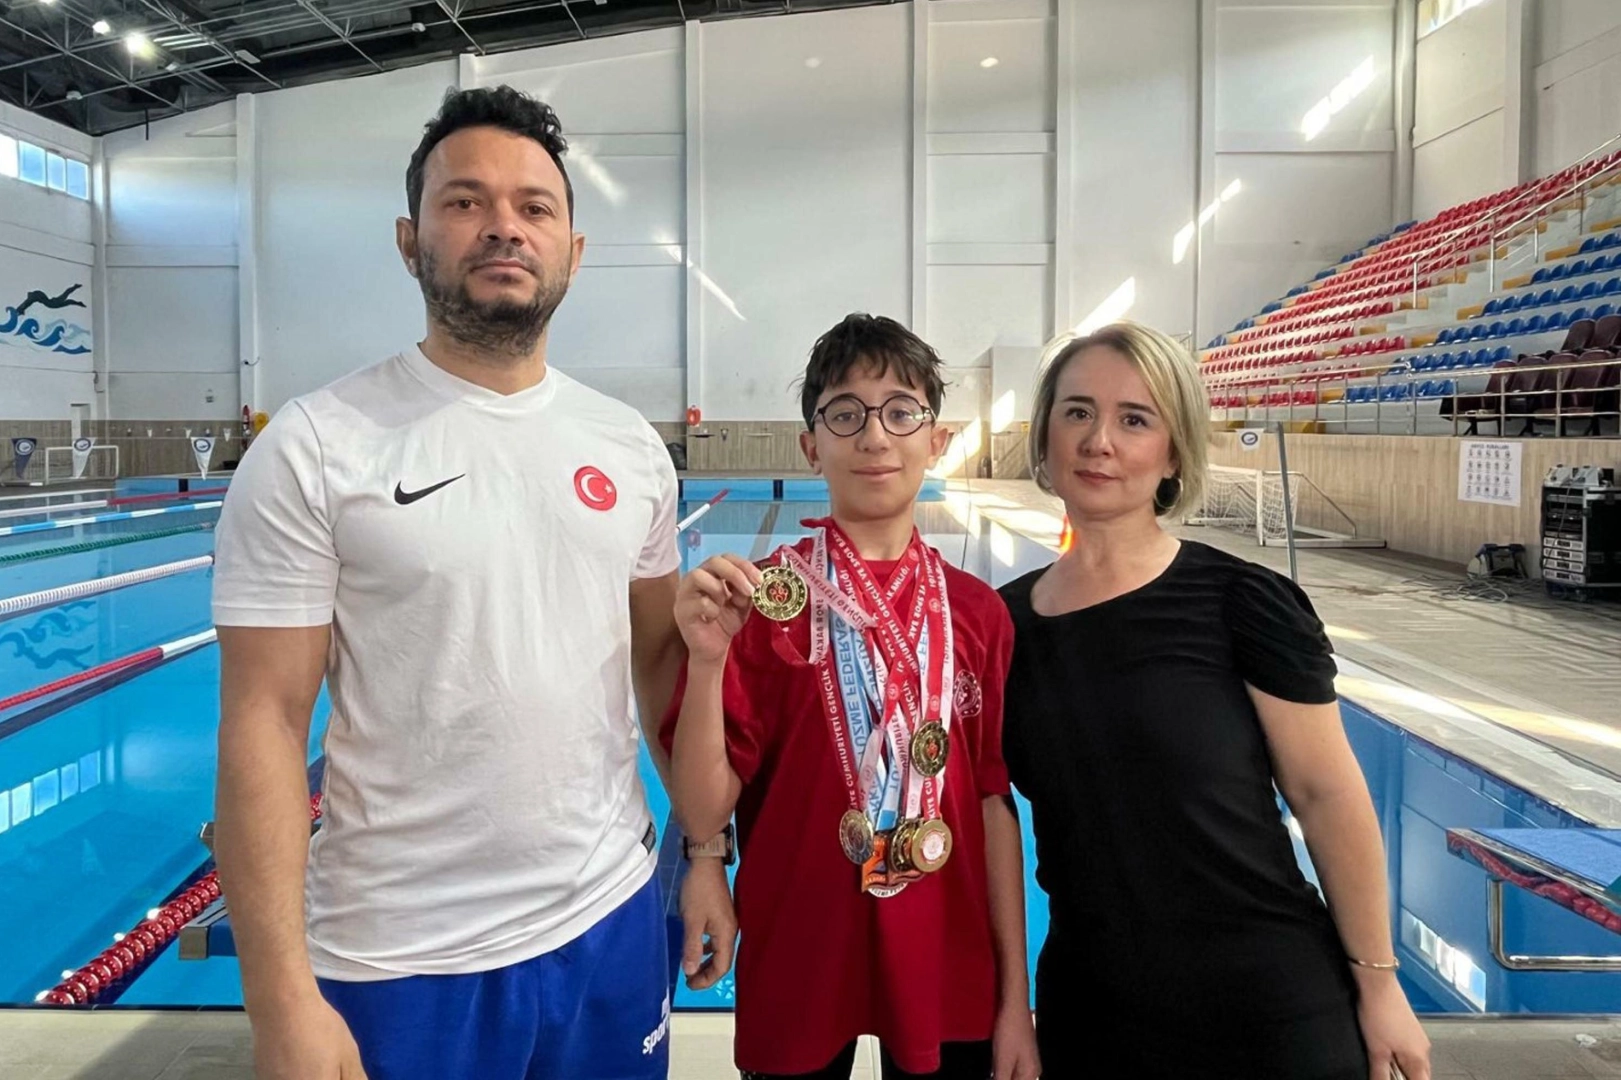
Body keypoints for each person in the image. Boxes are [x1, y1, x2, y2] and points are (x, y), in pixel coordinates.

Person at [211, 86, 687, 1080]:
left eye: (533, 206)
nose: (503, 226)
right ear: (409, 239)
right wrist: (279, 999)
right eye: (465, 201)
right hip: (400, 958)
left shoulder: (630, 447)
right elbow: (264, 720)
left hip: (611, 922)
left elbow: (659, 669)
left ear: (572, 250)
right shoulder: (317, 445)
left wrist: (708, 858)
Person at [999, 322, 1432, 1080]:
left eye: (1135, 419)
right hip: (1090, 1010)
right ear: (1045, 434)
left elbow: (1325, 794)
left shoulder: (1242, 602)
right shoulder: (1001, 625)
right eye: (1077, 412)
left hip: (1265, 1007)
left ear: (1173, 452)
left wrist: (1378, 982)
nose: (1099, 441)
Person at [664, 314, 1041, 1080]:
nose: (874, 436)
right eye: (845, 414)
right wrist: (706, 663)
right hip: (801, 945)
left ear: (936, 440)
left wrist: (1014, 999)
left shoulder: (978, 613)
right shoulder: (763, 603)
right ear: (811, 445)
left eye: (901, 412)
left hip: (947, 955)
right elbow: (704, 809)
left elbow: (992, 803)